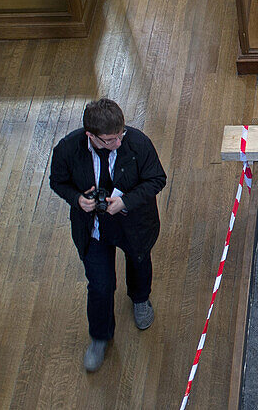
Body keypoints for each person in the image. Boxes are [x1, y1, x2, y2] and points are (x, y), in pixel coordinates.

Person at [48, 98, 166, 372]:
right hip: (94, 229)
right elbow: (57, 181)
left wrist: (126, 201)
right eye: (110, 140)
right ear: (91, 136)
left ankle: (140, 297)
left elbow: (157, 179)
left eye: (120, 136)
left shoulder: (137, 143)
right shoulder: (68, 148)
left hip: (134, 223)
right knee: (99, 286)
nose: (118, 143)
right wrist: (77, 199)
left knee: (139, 262)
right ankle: (100, 337)